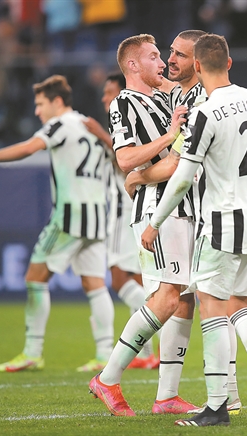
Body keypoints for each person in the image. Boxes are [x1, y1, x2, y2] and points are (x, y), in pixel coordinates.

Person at [125, 30, 247, 417]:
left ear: (199, 66)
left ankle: (219, 404)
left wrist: (154, 222)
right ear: (230, 63)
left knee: (212, 308)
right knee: (238, 304)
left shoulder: (204, 112)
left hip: (221, 220)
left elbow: (183, 177)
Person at [0, 75, 115, 373]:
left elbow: (29, 148)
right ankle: (105, 353)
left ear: (58, 101)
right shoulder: (89, 126)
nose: (37, 111)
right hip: (97, 214)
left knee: (35, 277)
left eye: (41, 104)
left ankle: (32, 352)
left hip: (69, 215)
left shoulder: (60, 124)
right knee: (94, 283)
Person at [88, 34, 196, 417]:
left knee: (183, 300)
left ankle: (167, 396)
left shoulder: (164, 99)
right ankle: (108, 378)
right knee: (167, 297)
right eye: (153, 56)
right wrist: (169, 136)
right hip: (155, 210)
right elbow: (124, 158)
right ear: (133, 65)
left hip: (182, 205)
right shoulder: (124, 103)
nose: (162, 62)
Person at [81, 71, 159, 371]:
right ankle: (146, 352)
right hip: (134, 208)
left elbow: (125, 162)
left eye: (109, 92)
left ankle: (154, 331)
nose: (105, 98)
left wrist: (101, 135)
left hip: (125, 210)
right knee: (139, 281)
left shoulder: (125, 118)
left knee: (118, 279)